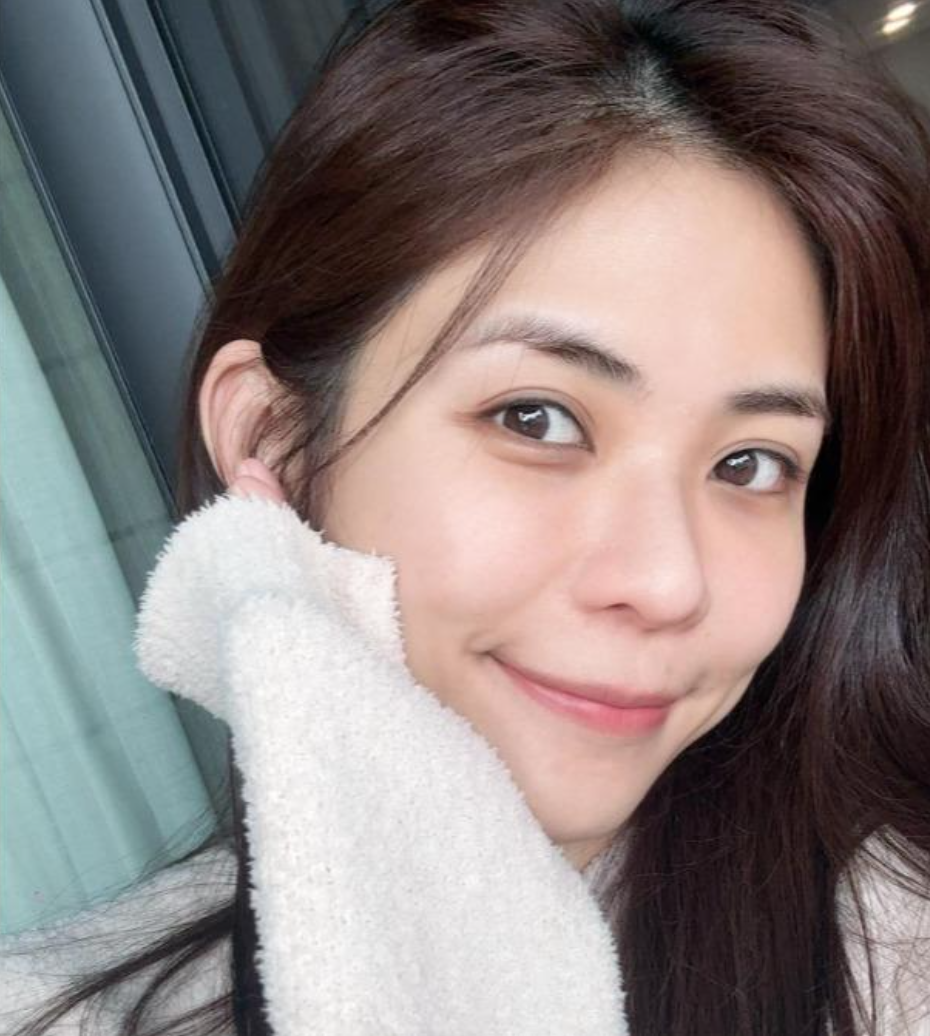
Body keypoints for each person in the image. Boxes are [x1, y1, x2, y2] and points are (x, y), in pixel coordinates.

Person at [2, 0, 929, 1033]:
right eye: (537, 419)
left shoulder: (896, 954)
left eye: (750, 464)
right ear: (272, 440)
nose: (669, 581)